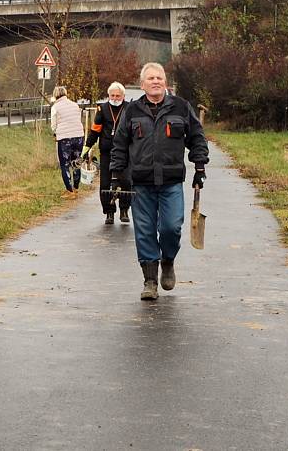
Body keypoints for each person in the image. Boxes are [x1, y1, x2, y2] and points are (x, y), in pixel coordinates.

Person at [110, 63, 209, 301]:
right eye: (151, 78)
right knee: (144, 231)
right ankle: (150, 280)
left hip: (171, 182)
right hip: (141, 183)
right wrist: (115, 176)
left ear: (166, 82)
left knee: (171, 227)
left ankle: (168, 260)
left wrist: (199, 167)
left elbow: (197, 138)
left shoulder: (180, 107)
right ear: (142, 84)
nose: (156, 81)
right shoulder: (132, 111)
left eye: (160, 77)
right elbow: (120, 145)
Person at [82, 82, 132, 224]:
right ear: (108, 95)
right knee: (105, 184)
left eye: (118, 95)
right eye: (112, 95)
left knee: (126, 181)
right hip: (107, 151)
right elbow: (95, 130)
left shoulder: (129, 108)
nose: (115, 98)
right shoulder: (102, 109)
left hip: (125, 152)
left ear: (123, 96)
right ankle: (109, 212)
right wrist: (87, 148)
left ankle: (124, 210)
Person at [50, 86, 85, 199]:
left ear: (55, 95)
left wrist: (55, 133)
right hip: (79, 135)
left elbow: (54, 124)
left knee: (64, 164)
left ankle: (69, 191)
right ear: (65, 94)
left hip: (64, 137)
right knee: (76, 162)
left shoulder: (55, 107)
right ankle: (76, 188)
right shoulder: (74, 105)